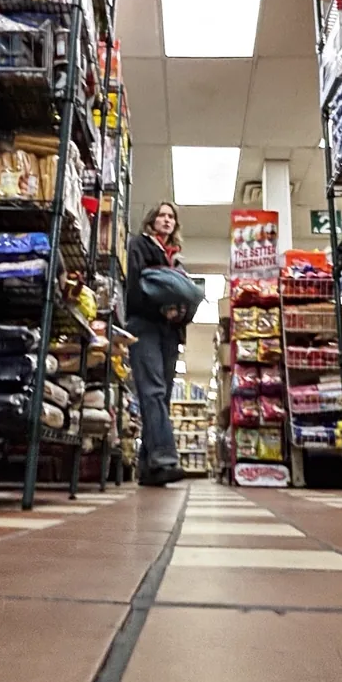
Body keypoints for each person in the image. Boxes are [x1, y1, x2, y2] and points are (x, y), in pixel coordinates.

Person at [125, 201, 190, 486]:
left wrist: (180, 315)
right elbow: (134, 291)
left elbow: (186, 299)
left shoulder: (176, 259)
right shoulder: (139, 245)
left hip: (170, 332)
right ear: (151, 220)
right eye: (162, 215)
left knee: (160, 396)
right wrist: (161, 310)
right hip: (144, 326)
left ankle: (148, 468)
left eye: (171, 216)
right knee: (152, 391)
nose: (167, 220)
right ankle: (165, 458)